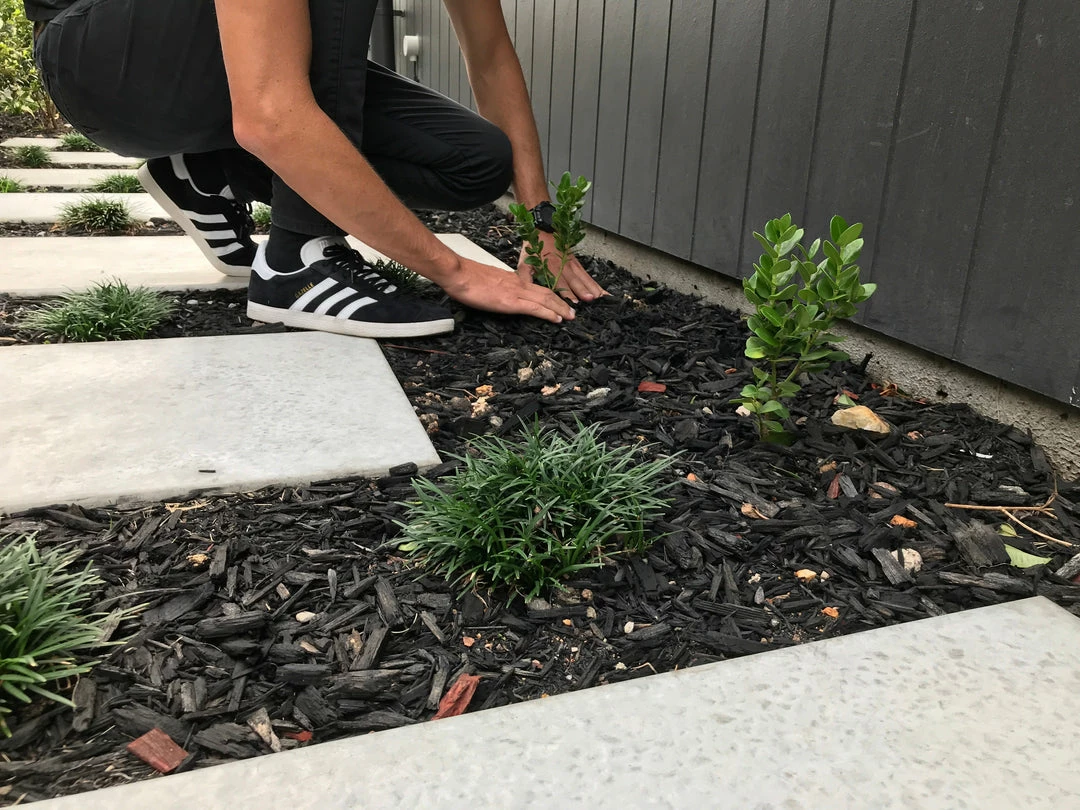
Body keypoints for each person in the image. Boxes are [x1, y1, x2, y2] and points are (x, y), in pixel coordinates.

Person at [25, 0, 607, 338]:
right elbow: (272, 116)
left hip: (209, 64)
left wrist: (543, 226)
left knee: (473, 162)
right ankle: (298, 261)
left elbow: (491, 56)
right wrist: (452, 269)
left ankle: (206, 173)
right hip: (102, 58)